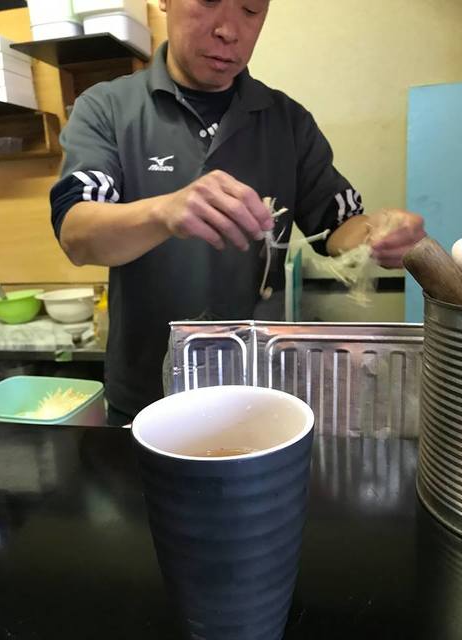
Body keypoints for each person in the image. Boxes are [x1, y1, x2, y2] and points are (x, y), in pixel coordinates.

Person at [50, 0, 425, 426]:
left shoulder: (287, 122)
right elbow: (77, 234)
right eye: (209, 1)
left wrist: (380, 232)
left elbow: (340, 226)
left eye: (250, 9)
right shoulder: (107, 107)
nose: (229, 30)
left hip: (256, 393)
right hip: (145, 399)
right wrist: (163, 212)